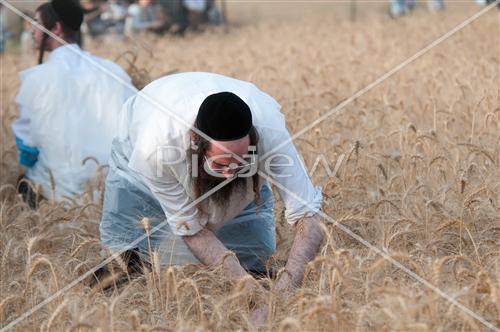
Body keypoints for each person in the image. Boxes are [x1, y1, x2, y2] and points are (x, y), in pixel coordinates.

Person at [96, 72, 324, 301]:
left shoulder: (270, 134)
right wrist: (255, 296)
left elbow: (309, 217)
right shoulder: (155, 147)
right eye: (222, 164)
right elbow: (191, 229)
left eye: (242, 162)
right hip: (138, 158)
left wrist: (280, 294)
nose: (231, 173)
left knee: (253, 259)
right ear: (195, 140)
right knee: (124, 264)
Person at [11, 0, 134, 207]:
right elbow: (135, 124)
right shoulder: (113, 70)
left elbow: (27, 145)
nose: (32, 31)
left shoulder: (36, 79)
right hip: (113, 186)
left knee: (22, 188)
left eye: (36, 23)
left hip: (55, 190)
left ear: (56, 28)